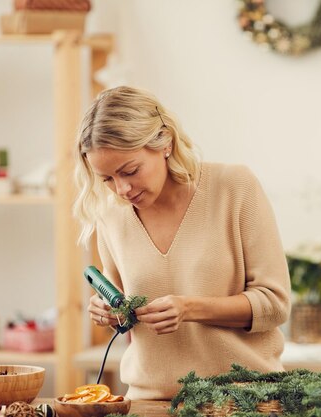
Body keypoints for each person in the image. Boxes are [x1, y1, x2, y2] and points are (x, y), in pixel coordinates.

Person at [73, 86, 291, 400]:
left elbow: (274, 304)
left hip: (245, 399)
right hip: (149, 401)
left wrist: (189, 308)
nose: (121, 189)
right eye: (106, 179)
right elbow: (126, 314)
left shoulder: (234, 188)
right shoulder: (111, 214)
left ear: (165, 142)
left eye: (130, 171)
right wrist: (109, 312)